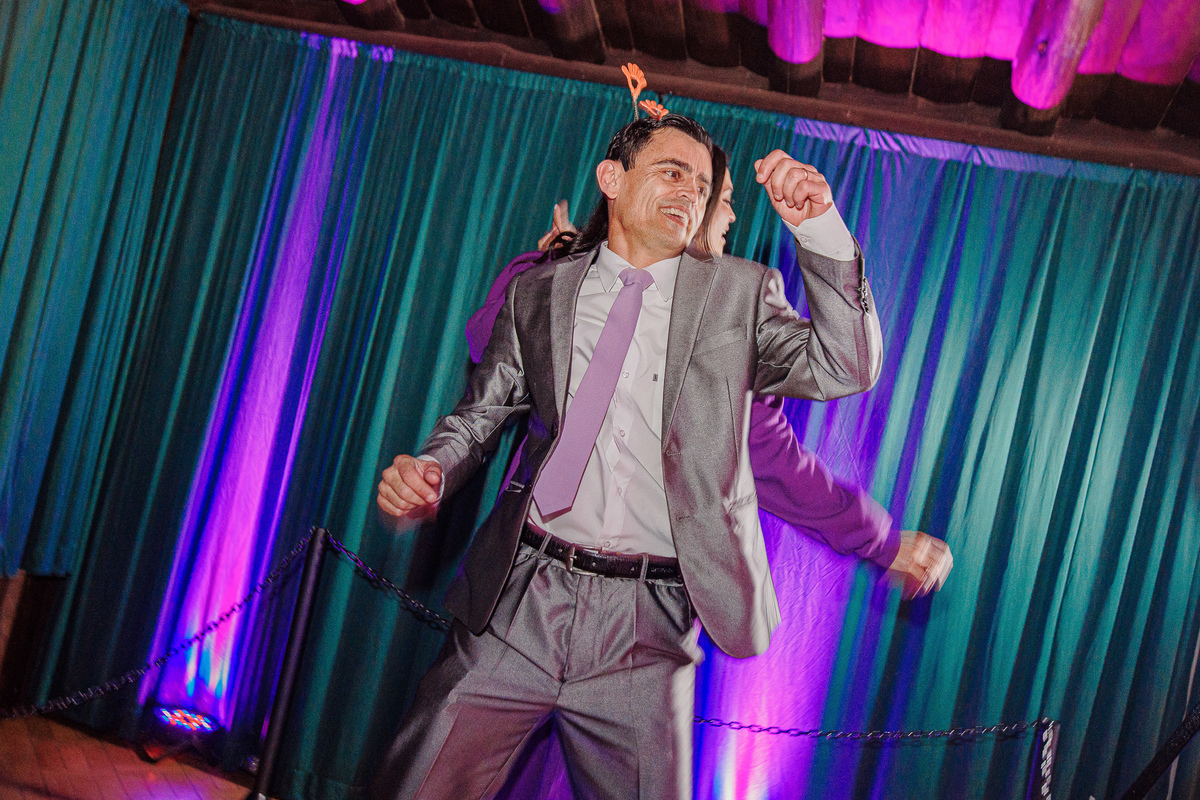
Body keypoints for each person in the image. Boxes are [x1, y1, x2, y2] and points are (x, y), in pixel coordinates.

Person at [373, 114, 899, 799]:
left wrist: (820, 228)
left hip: (647, 631)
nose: (691, 192)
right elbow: (481, 415)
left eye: (703, 185)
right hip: (520, 601)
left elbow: (845, 366)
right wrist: (434, 469)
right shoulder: (540, 292)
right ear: (612, 179)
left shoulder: (739, 295)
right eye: (672, 172)